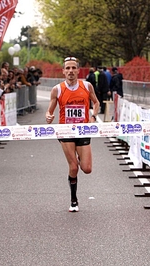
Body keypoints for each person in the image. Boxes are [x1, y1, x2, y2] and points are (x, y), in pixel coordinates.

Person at [45, 56, 100, 212]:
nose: (70, 71)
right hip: (65, 131)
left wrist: (93, 116)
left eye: (73, 68)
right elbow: (49, 112)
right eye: (67, 68)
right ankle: (73, 200)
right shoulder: (57, 89)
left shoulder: (87, 86)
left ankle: (78, 156)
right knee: (74, 167)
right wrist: (49, 116)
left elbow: (96, 103)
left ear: (78, 70)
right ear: (63, 71)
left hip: (82, 130)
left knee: (87, 168)